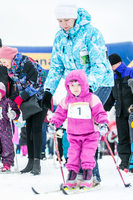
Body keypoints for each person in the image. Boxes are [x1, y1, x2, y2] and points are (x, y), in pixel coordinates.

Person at [41, 3, 114, 183]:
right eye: (60, 20)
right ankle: (80, 171)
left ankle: (92, 173)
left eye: (66, 20)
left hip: (99, 83)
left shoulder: (91, 33)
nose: (63, 24)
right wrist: (48, 91)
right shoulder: (59, 37)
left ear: (74, 17)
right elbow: (57, 66)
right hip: (75, 87)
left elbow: (99, 63)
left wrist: (88, 87)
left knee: (88, 123)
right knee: (76, 125)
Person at [48, 69, 108, 189]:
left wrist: (103, 123)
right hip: (73, 135)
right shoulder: (66, 100)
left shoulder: (92, 98)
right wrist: (53, 124)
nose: (75, 88)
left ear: (84, 84)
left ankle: (88, 177)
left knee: (87, 156)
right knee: (72, 156)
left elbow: (99, 113)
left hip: (90, 134)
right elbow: (59, 114)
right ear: (68, 86)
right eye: (72, 85)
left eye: (79, 85)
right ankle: (72, 177)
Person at [0, 46, 47, 175]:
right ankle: (30, 162)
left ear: (9, 57)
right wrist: (17, 99)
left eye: (3, 61)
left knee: (36, 129)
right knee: (28, 129)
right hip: (28, 101)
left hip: (40, 98)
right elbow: (19, 86)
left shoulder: (26, 63)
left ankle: (37, 162)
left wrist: (21, 97)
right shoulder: (11, 69)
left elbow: (37, 83)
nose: (3, 64)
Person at [104, 53, 133, 171]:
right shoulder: (113, 77)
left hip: (131, 111)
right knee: (122, 137)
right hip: (120, 112)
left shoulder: (130, 72)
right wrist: (102, 108)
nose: (110, 68)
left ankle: (132, 161)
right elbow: (111, 96)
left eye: (112, 65)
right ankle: (124, 162)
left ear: (119, 63)